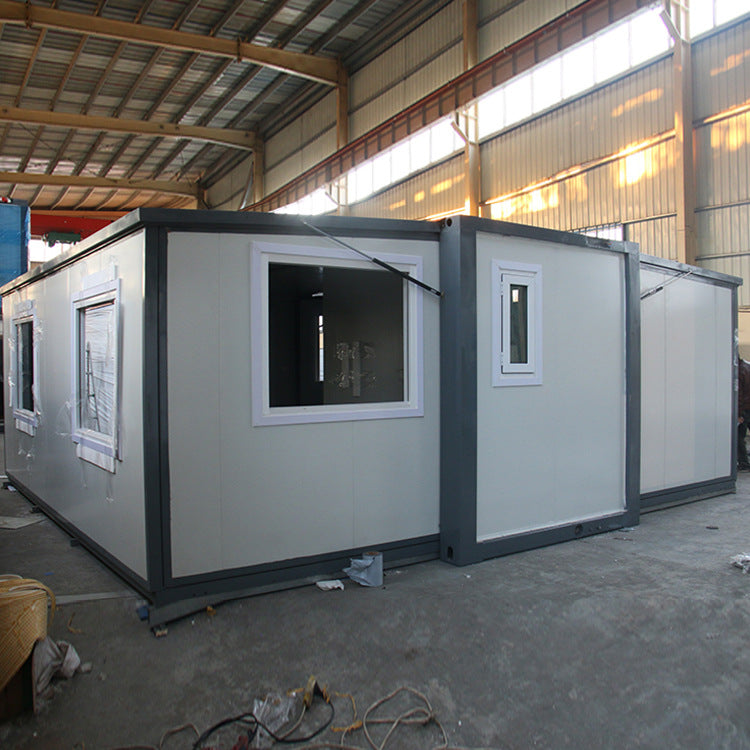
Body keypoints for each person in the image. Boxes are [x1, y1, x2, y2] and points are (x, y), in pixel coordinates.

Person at [738, 358, 750, 470]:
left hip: (744, 408)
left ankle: (743, 462)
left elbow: (739, 395)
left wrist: (739, 414)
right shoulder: (747, 366)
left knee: (739, 436)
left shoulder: (739, 371)